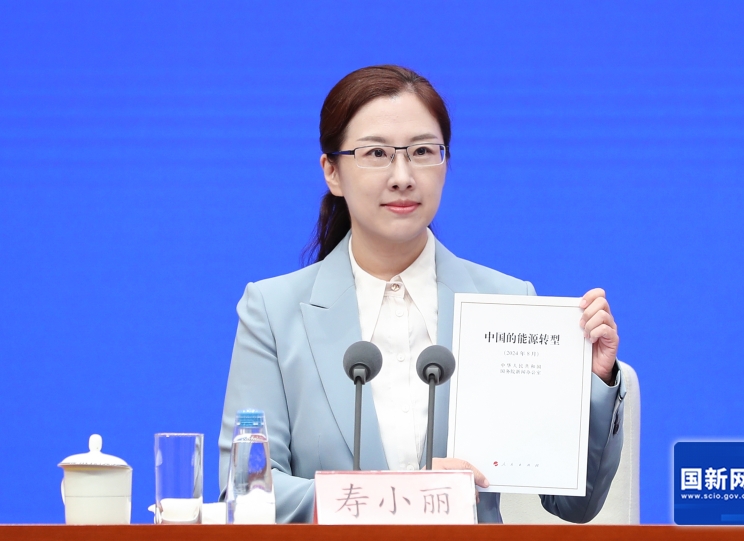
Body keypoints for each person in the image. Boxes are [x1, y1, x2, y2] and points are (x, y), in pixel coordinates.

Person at [219, 65, 626, 524]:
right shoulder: (273, 312)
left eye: (422, 152)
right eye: (376, 153)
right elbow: (249, 493)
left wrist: (595, 382)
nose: (402, 176)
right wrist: (404, 498)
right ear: (332, 172)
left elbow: (575, 505)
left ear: (446, 163)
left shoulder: (506, 303)